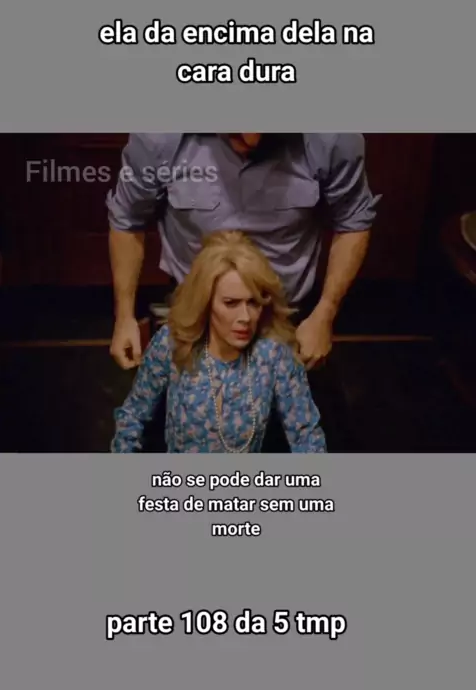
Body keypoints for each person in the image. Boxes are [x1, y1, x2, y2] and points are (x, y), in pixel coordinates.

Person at [107, 133, 379, 451]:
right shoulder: (159, 136)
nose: (249, 142)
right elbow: (127, 219)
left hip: (290, 323)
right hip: (194, 324)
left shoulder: (333, 137)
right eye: (236, 132)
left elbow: (354, 219)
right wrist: (124, 316)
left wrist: (325, 313)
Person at [111, 231, 326, 453]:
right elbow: (132, 418)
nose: (245, 317)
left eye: (253, 303)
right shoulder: (171, 342)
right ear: (206, 302)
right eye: (231, 303)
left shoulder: (273, 352)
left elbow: (307, 436)